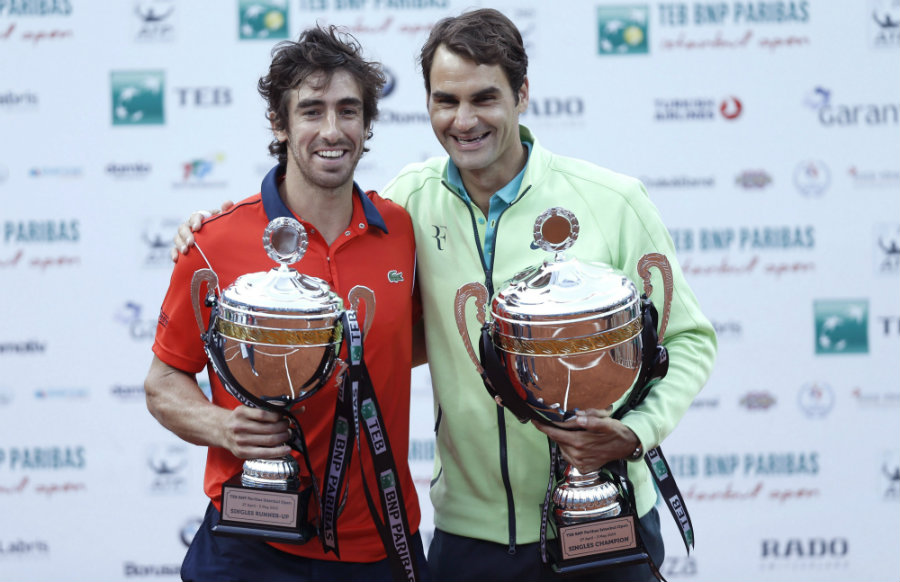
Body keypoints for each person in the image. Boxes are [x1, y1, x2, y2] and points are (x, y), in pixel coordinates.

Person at [173, 9, 717, 582]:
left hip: (602, 518)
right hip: (467, 535)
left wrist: (637, 431)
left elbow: (688, 340)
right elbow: (328, 239)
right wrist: (212, 229)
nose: (464, 120)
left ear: (522, 94)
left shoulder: (612, 200)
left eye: (484, 98)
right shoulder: (407, 205)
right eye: (446, 101)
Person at [145, 25, 428, 582]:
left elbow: (411, 341)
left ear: (368, 123)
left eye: (349, 111)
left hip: (380, 537)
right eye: (311, 110)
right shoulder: (215, 241)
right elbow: (162, 382)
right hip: (252, 540)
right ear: (279, 123)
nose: (332, 130)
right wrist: (218, 426)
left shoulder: (400, 230)